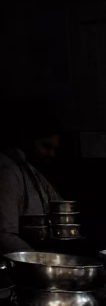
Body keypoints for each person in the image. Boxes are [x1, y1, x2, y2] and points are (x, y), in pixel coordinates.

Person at [0, 108, 62, 254]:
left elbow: (59, 205)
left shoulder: (31, 170)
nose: (51, 154)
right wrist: (43, 261)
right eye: (46, 146)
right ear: (26, 140)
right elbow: (4, 236)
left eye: (54, 148)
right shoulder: (7, 172)